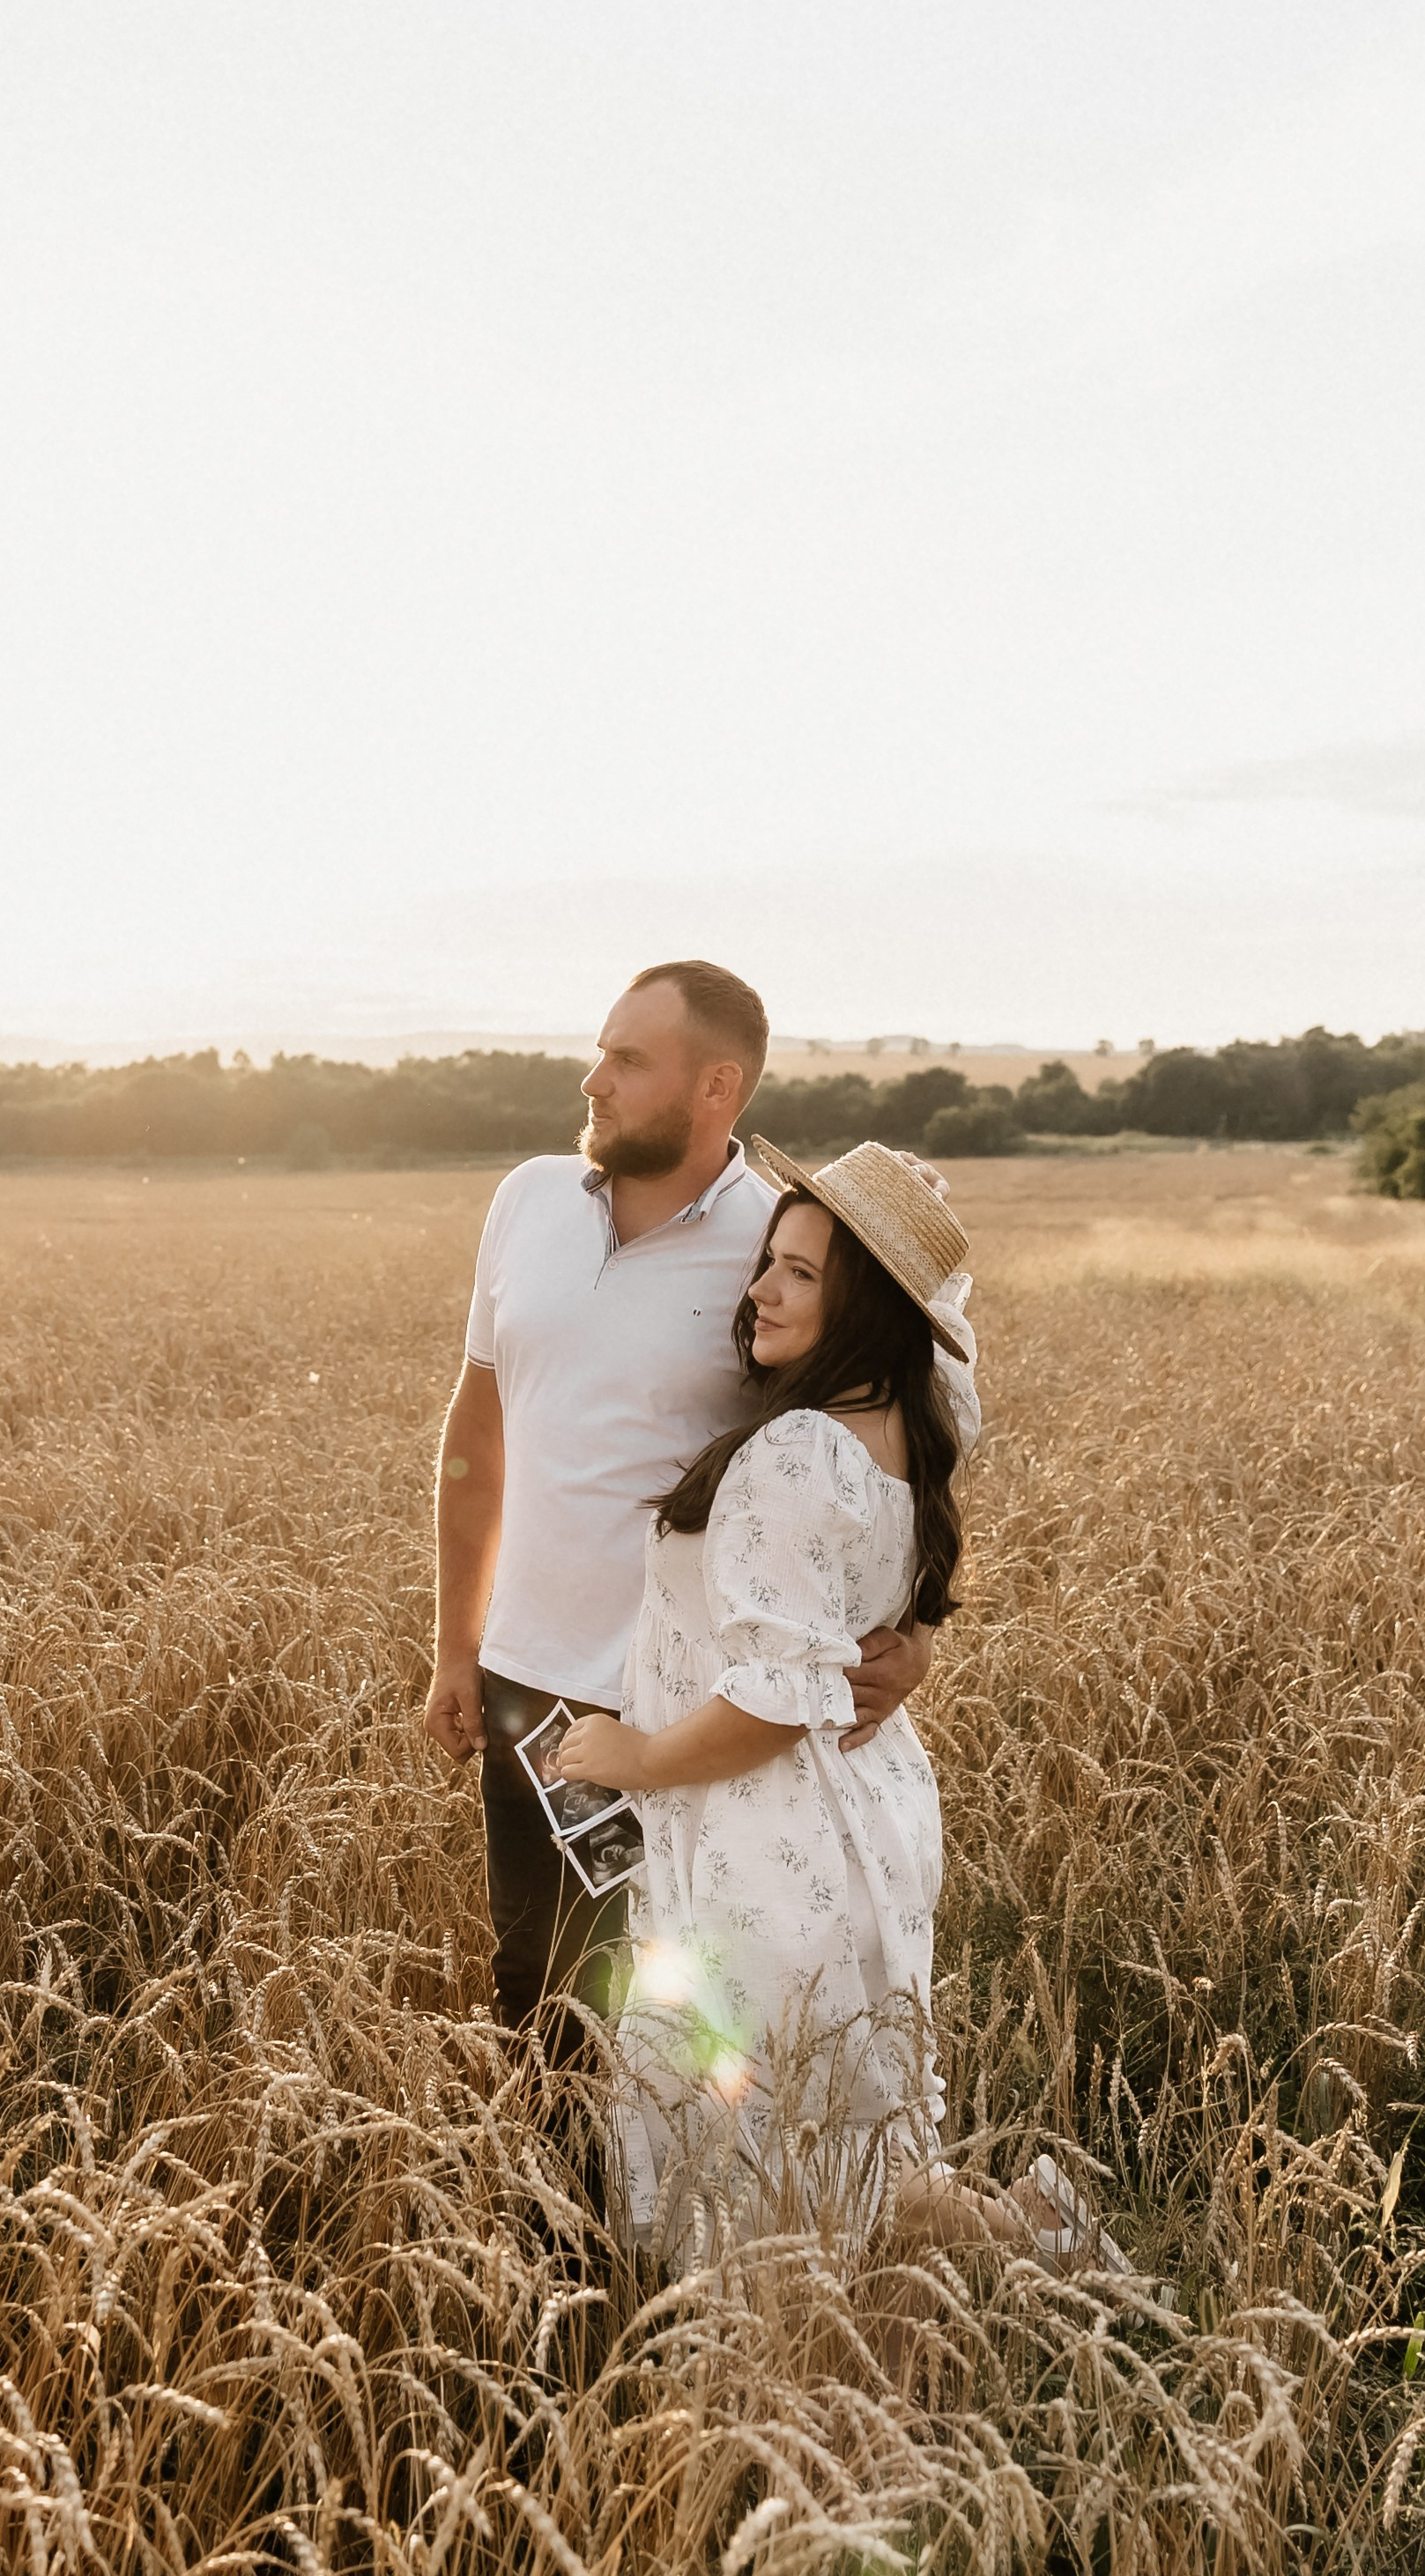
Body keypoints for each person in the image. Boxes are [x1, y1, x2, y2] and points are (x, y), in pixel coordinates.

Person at [554, 1140, 1127, 2269]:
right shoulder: (914, 1418)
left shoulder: (792, 1453)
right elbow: (948, 1352)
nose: (758, 1289)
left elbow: (773, 1703)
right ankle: (1034, 2247)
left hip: (770, 1832)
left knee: (760, 2148)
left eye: (802, 1273)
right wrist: (909, 1212)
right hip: (872, 1811)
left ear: (862, 1302)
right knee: (850, 2135)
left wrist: (632, 1756)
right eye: (768, 1260)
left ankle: (796, 2367)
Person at [423, 961, 979, 2055]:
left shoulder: (788, 1242)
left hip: (689, 1709)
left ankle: (691, 2230)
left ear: (717, 1086)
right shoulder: (526, 1199)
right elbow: (474, 1437)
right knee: (539, 1991)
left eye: (628, 1061)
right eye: (600, 1051)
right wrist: (455, 1643)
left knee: (679, 2019)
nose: (593, 1080)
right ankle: (567, 2233)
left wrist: (912, 1635)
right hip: (528, 1693)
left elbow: (915, 1431)